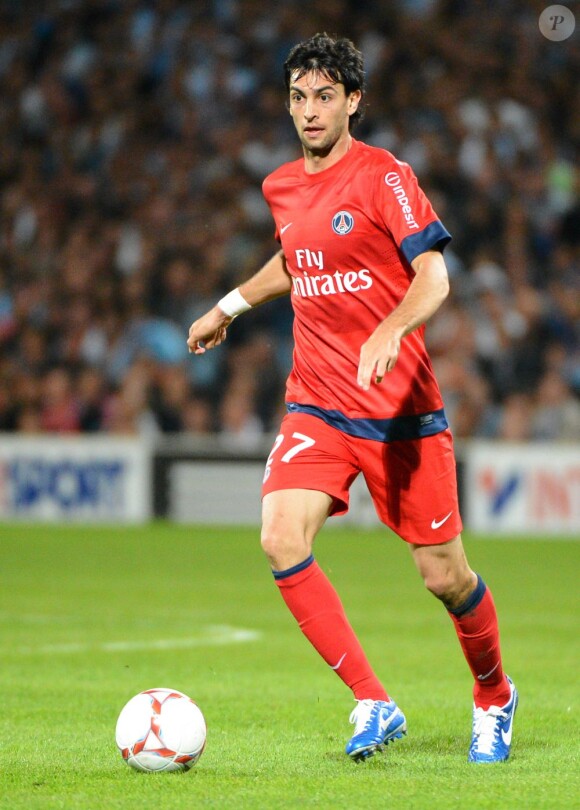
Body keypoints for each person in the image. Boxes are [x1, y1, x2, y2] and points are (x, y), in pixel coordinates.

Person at [187, 33, 517, 764]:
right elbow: (295, 256)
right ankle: (374, 701)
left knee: (445, 576)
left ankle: (494, 695)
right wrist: (230, 305)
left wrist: (393, 328)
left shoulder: (383, 176)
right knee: (279, 536)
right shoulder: (280, 186)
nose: (310, 111)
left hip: (399, 411)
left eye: (325, 96)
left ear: (354, 102)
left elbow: (433, 274)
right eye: (299, 97)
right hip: (316, 402)